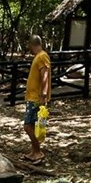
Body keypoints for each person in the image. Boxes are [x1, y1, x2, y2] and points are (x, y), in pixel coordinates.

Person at [23, 35, 50, 163]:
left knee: (28, 126)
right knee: (34, 126)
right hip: (32, 97)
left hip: (36, 98)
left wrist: (43, 95)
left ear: (31, 45)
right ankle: (34, 151)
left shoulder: (42, 56)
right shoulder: (39, 57)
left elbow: (45, 75)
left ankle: (38, 151)